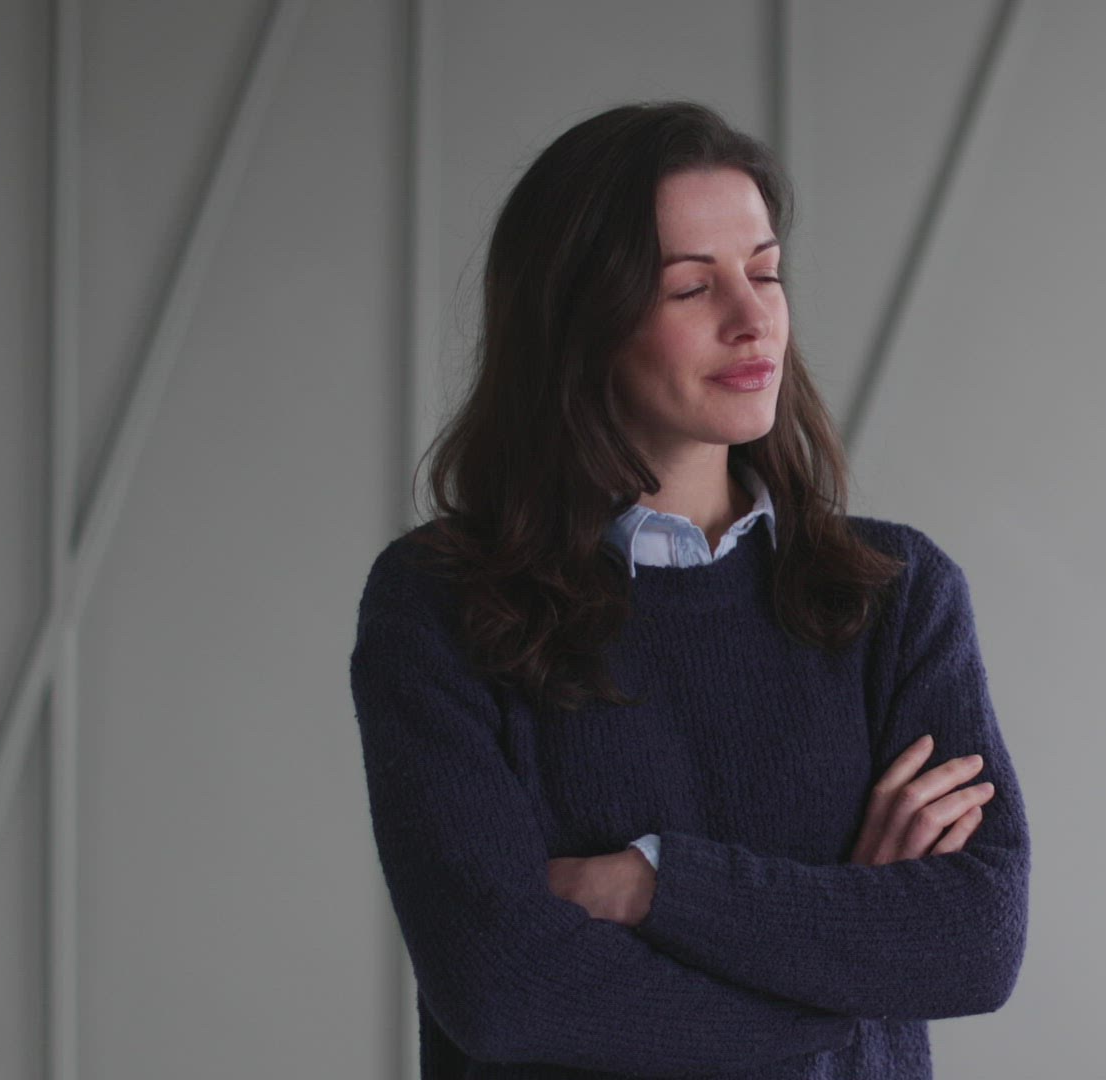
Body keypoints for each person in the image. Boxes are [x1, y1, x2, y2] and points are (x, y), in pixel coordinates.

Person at [347, 100, 1030, 1078]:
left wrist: (652, 886)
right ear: (579, 324)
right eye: (691, 287)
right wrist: (843, 970)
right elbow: (506, 992)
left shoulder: (894, 594)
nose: (752, 320)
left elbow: (973, 940)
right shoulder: (442, 605)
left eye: (765, 272)